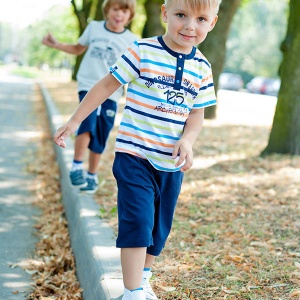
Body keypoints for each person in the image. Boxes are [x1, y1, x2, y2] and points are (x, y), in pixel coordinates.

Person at [53, 0, 221, 299]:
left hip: (170, 163)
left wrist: (188, 141)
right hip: (134, 155)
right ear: (165, 13)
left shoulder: (202, 67)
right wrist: (76, 120)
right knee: (138, 221)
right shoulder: (142, 50)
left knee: (159, 228)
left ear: (212, 23)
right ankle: (130, 292)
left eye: (200, 19)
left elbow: (197, 113)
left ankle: (142, 281)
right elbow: (106, 86)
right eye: (181, 15)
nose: (189, 26)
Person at [43, 0, 137, 194]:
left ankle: (92, 175)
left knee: (102, 132)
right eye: (115, 9)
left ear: (130, 16)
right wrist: (57, 45)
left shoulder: (133, 40)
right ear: (107, 11)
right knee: (87, 122)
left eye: (124, 11)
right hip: (88, 85)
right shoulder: (94, 28)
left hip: (113, 92)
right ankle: (77, 165)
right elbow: (78, 48)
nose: (119, 14)